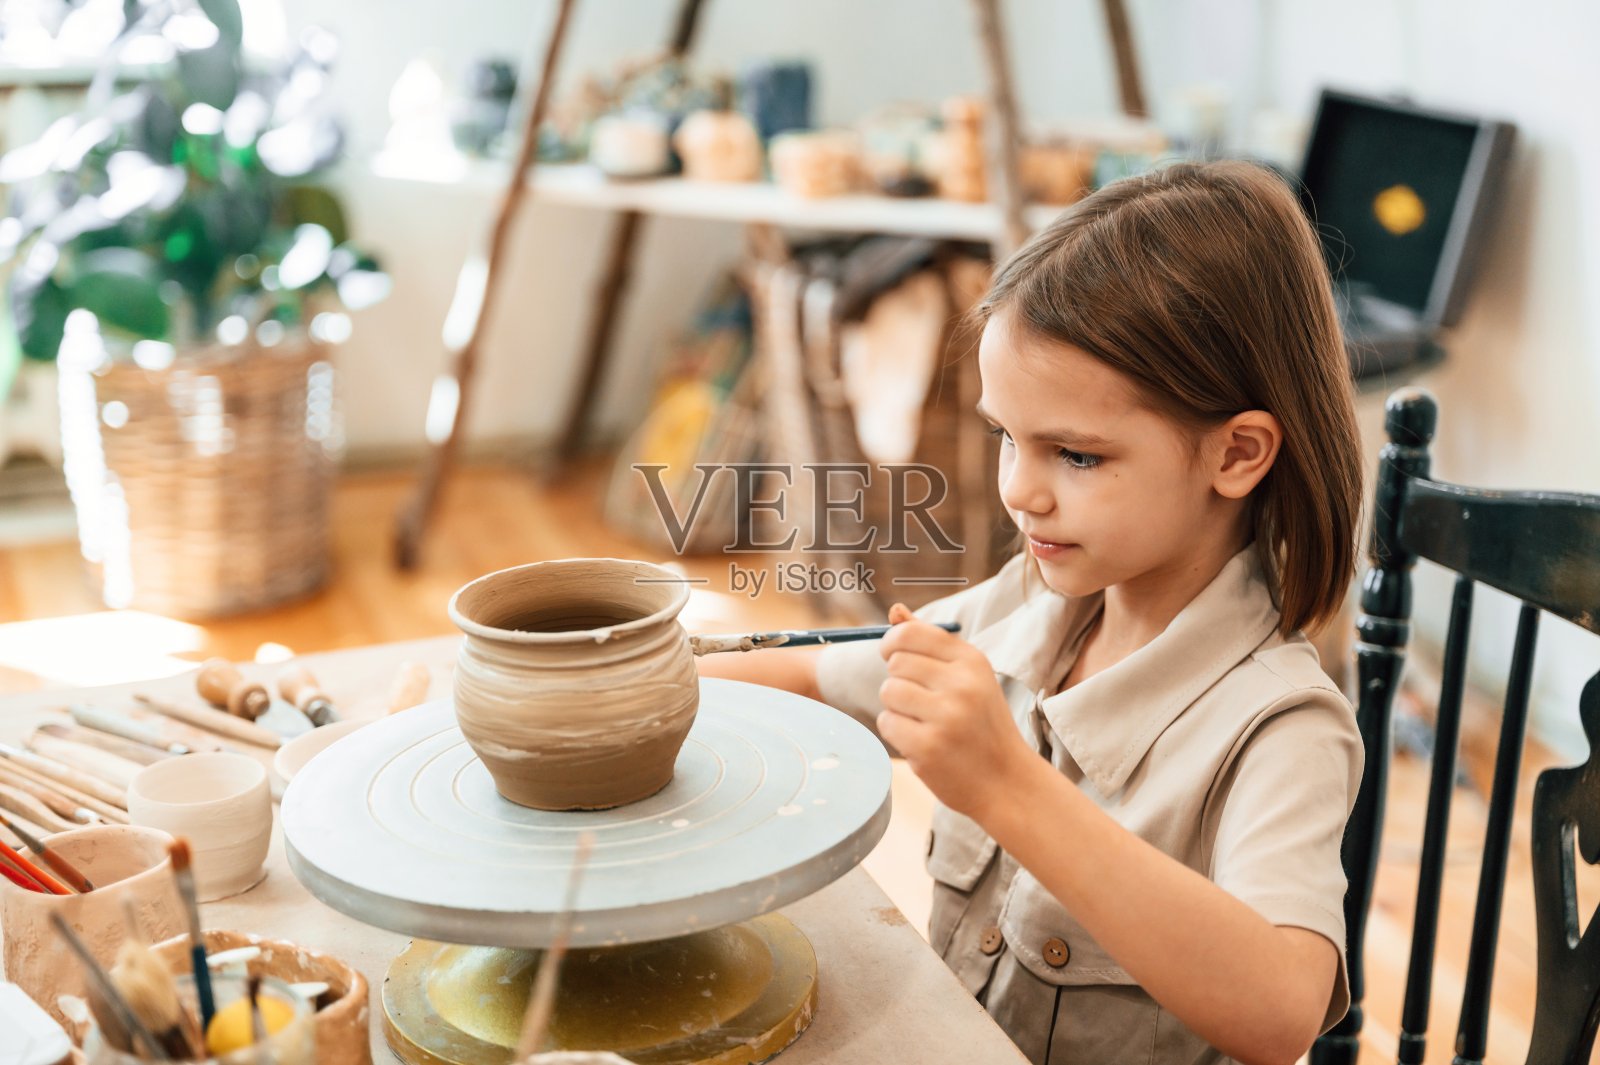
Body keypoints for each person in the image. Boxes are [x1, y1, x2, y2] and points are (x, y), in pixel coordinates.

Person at [699, 160, 1365, 1065]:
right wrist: (639, 680)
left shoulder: (1282, 726)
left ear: (1238, 453)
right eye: (1007, 436)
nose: (1021, 491)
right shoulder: (1034, 598)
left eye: (1076, 456)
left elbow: (1281, 1006)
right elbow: (811, 678)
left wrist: (1007, 786)